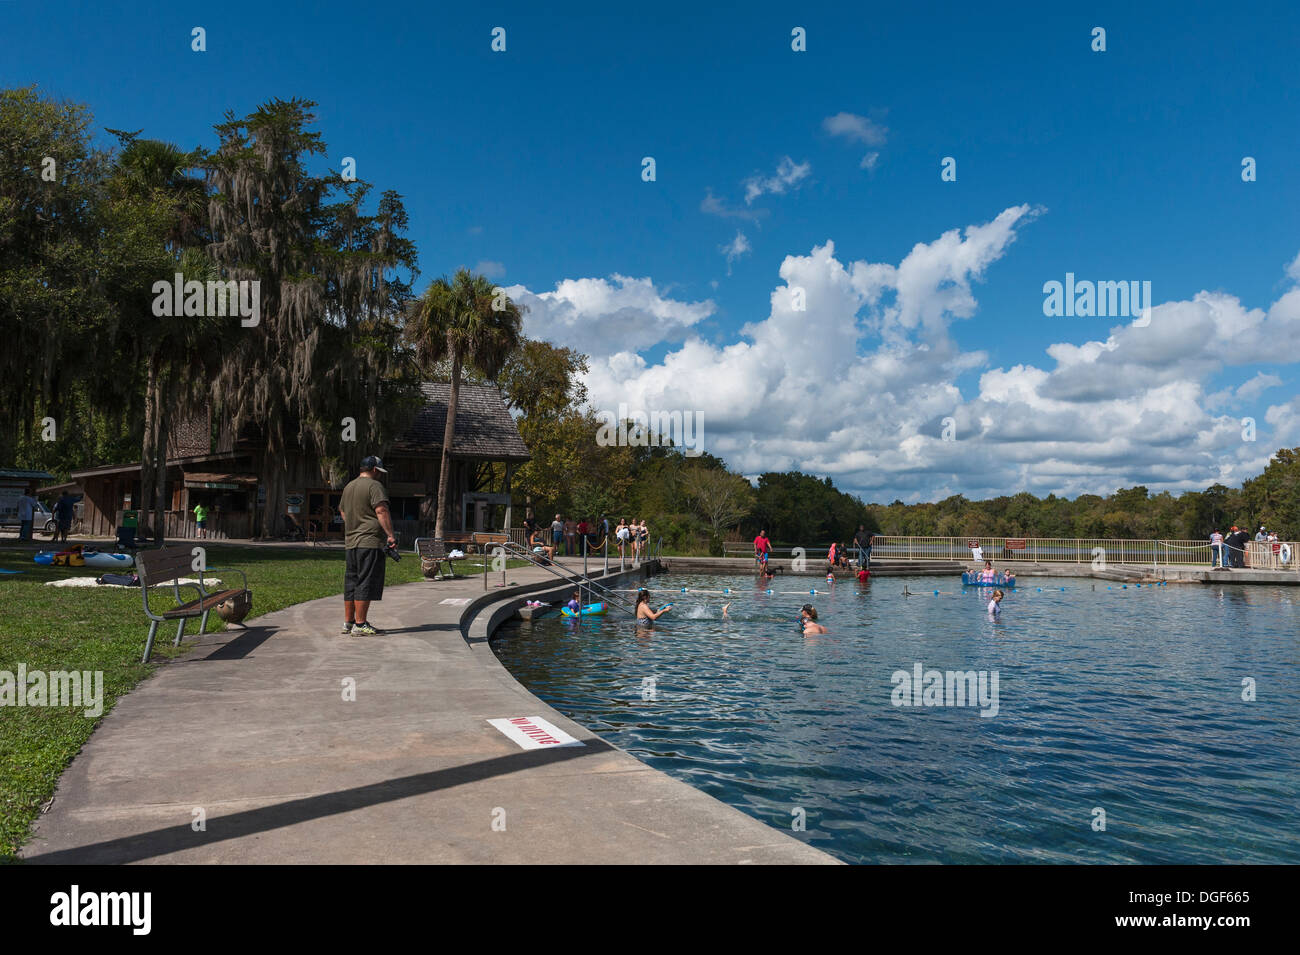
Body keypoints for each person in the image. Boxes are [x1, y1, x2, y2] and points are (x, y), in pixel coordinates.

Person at [338, 455, 397, 636]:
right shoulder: (375, 486)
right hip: (369, 541)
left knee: (352, 581)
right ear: (374, 470)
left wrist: (354, 525)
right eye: (379, 471)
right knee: (366, 581)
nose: (379, 475)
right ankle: (361, 624)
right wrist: (390, 536)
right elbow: (381, 510)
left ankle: (348, 622)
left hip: (351, 541)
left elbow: (342, 511)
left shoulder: (349, 486)